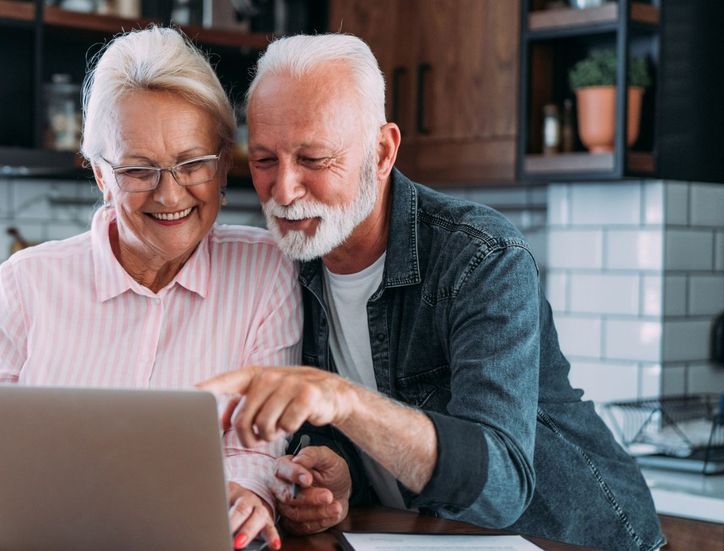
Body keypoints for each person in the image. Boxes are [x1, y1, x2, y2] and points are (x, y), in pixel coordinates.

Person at [198, 34, 665, 551]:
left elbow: (502, 485)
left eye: (313, 158)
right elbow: (372, 420)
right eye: (265, 160)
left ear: (381, 152)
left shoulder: (483, 258)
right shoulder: (290, 266)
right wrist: (341, 472)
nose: (284, 190)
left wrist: (344, 401)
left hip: (575, 540)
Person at [0, 27, 300, 550]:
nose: (170, 194)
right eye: (138, 170)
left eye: (192, 164)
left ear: (221, 161)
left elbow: (261, 450)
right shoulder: (26, 284)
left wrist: (249, 494)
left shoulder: (266, 272)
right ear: (100, 174)